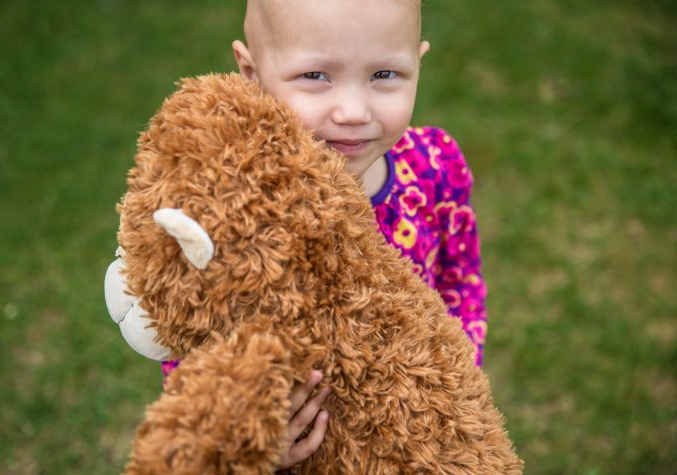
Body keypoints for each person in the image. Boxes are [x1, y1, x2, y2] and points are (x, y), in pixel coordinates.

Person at [107, 0, 488, 469]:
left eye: (385, 75)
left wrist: (454, 380)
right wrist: (256, 437)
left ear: (419, 64)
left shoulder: (436, 165)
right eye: (316, 76)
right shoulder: (237, 210)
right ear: (251, 71)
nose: (353, 110)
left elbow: (460, 277)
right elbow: (192, 330)